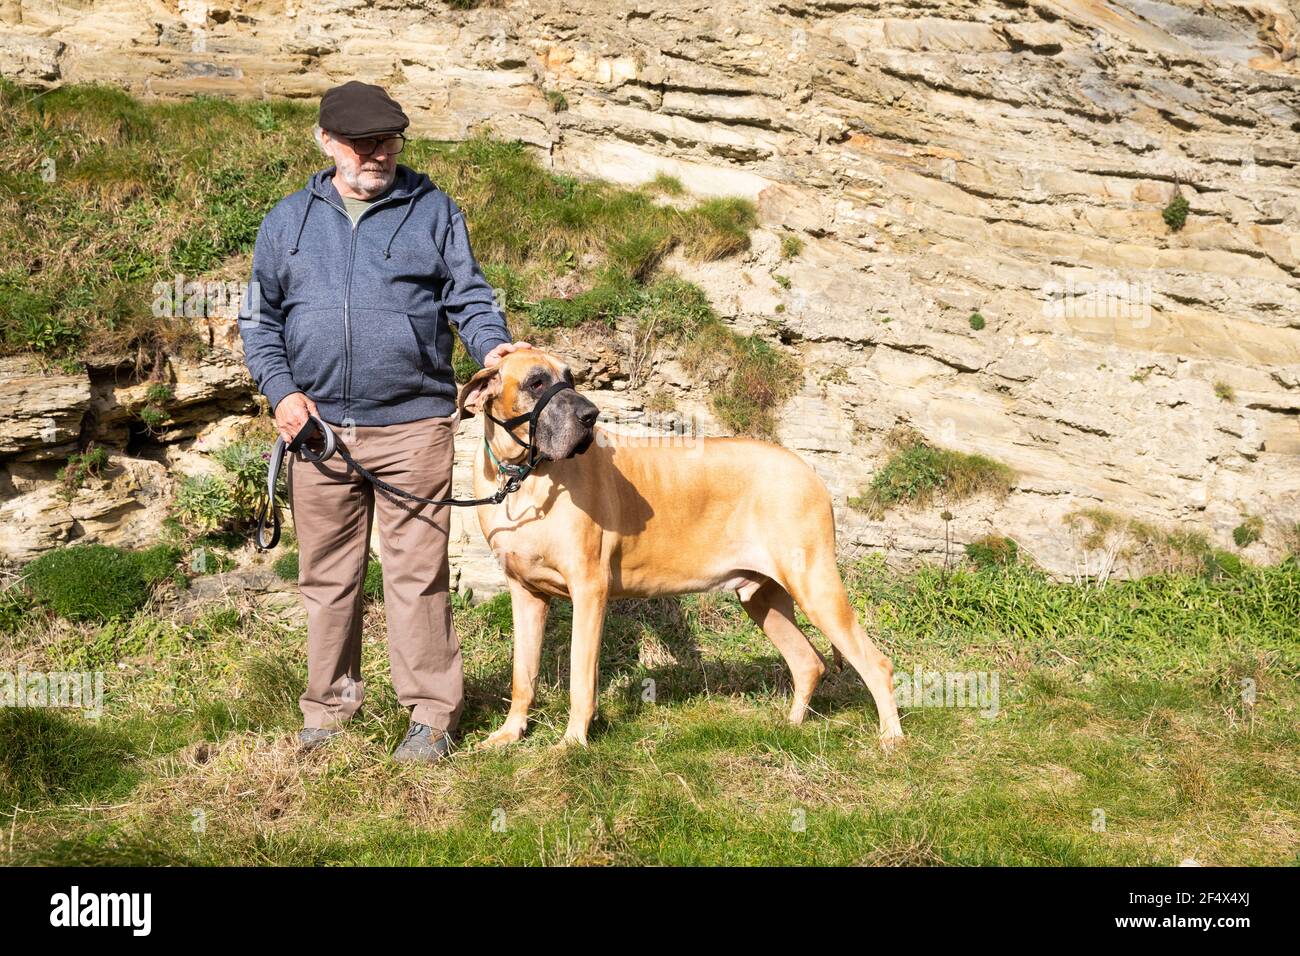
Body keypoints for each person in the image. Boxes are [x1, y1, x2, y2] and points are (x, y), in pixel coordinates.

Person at [237, 80, 531, 763]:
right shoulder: (286, 221)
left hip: (414, 427)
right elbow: (259, 320)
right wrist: (282, 395)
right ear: (324, 141)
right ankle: (330, 712)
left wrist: (493, 346)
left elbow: (470, 297)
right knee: (329, 578)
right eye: (362, 142)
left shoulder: (433, 210)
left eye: (388, 141)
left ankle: (432, 718)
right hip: (318, 436)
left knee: (415, 576)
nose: (377, 154)